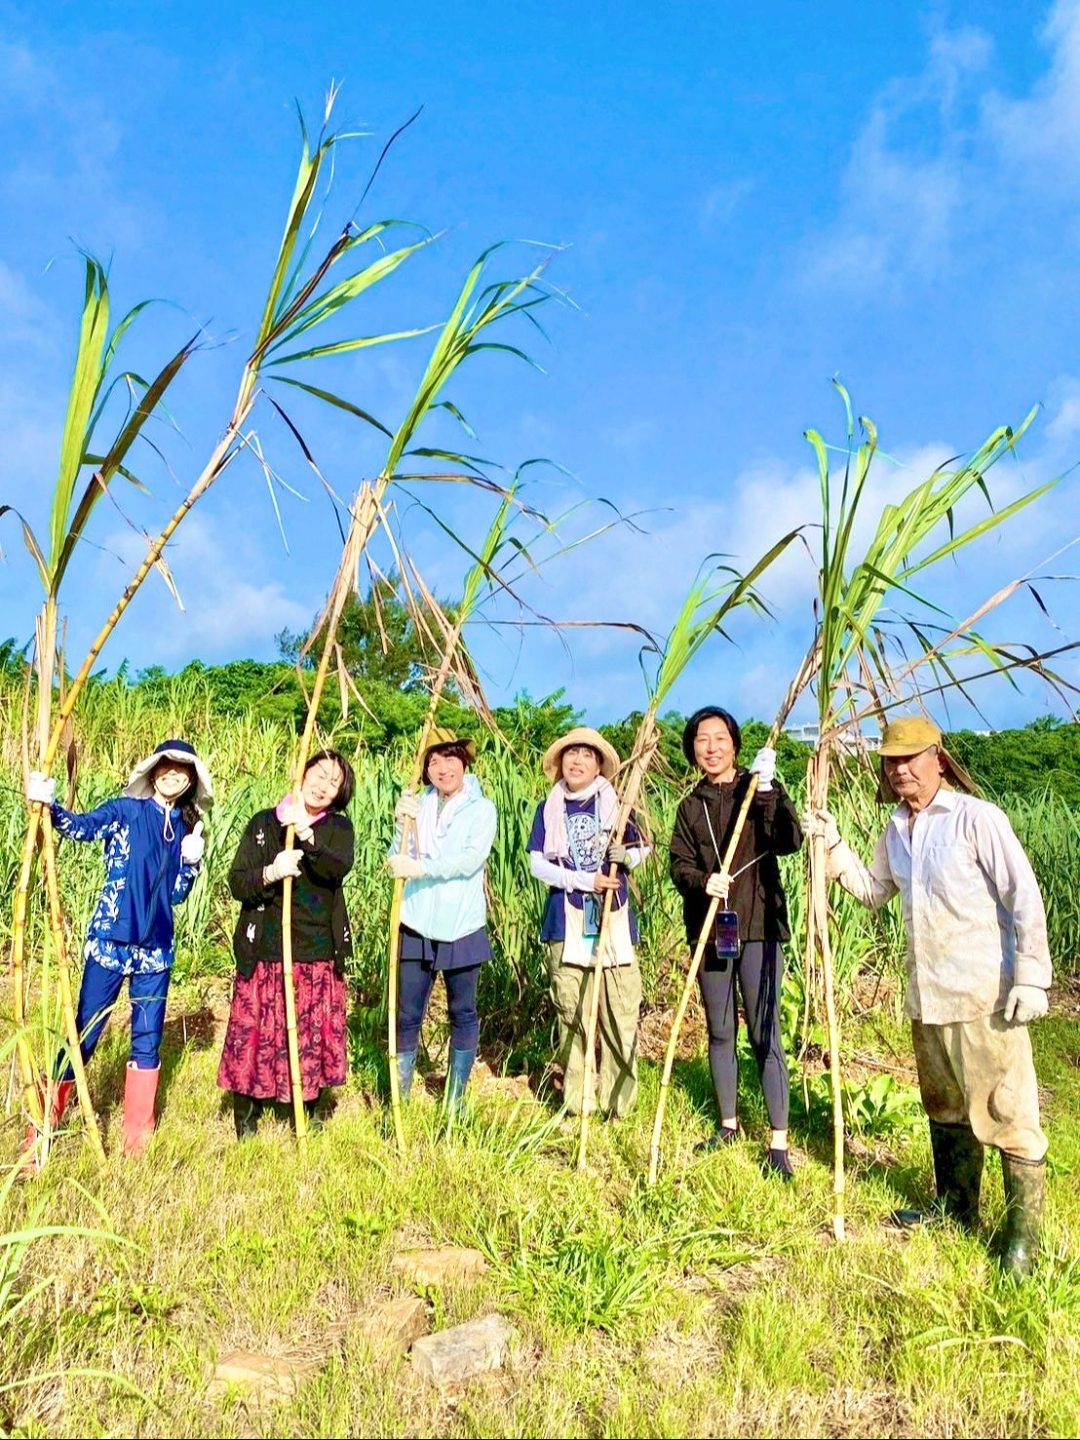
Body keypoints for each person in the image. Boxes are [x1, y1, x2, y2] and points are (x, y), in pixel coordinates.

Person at [805, 716, 1052, 1278]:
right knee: (945, 1108)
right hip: (928, 997)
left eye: (910, 758)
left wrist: (1032, 977)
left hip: (984, 997)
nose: (900, 770)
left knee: (1008, 1115)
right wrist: (833, 846)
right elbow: (873, 891)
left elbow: (1023, 895)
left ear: (938, 759)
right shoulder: (895, 830)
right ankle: (956, 1208)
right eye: (891, 761)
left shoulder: (976, 818)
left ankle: (1023, 1243)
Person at [24, 740, 212, 1160]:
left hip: (155, 951)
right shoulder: (127, 811)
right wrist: (49, 807)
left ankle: (136, 1143)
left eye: (182, 771)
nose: (173, 775)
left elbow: (175, 895)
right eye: (167, 767)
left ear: (190, 781)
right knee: (85, 1031)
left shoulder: (186, 828)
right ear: (154, 771)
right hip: (112, 938)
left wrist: (191, 865)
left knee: (147, 1040)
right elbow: (82, 828)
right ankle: (43, 1124)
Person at [669, 708, 803, 1178]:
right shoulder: (691, 806)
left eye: (720, 738)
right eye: (701, 740)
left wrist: (768, 790)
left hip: (760, 925)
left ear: (735, 743)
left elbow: (788, 840)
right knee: (720, 1029)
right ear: (692, 749)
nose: (711, 747)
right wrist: (702, 881)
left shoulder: (757, 788)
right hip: (711, 929)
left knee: (765, 1032)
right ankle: (728, 1124)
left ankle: (778, 1141)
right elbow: (679, 864)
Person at [218, 749, 355, 1138]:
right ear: (303, 772)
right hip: (266, 947)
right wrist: (270, 872)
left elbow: (337, 867)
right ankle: (246, 1116)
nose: (323, 786)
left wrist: (309, 836)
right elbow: (238, 882)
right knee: (254, 1031)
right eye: (320, 774)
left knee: (310, 1035)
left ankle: (305, 1111)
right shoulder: (264, 822)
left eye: (334, 783)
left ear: (340, 794)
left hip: (315, 950)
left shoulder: (338, 829)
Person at [528, 726, 650, 1120]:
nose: (577, 761)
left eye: (586, 754)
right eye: (571, 753)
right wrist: (583, 880)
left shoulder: (619, 807)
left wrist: (626, 858)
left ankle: (619, 1104)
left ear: (598, 765)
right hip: (565, 922)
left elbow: (643, 848)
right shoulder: (548, 808)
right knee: (572, 1013)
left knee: (620, 1013)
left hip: (614, 920)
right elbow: (537, 864)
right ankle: (579, 1102)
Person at [387, 728, 497, 1111]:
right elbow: (397, 855)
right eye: (433, 761)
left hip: (461, 924)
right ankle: (399, 1098)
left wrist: (422, 868)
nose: (442, 767)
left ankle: (455, 1100)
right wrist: (400, 823)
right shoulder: (419, 805)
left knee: (462, 1011)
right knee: (407, 1012)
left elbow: (469, 859)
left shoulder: (481, 810)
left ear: (463, 762)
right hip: (416, 921)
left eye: (449, 758)